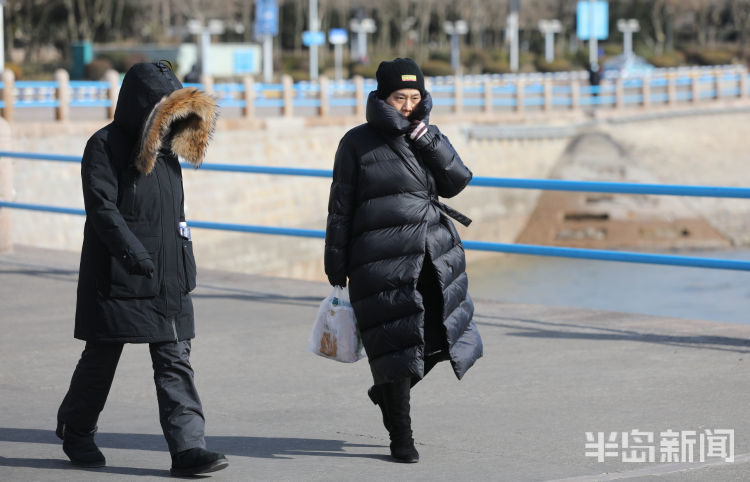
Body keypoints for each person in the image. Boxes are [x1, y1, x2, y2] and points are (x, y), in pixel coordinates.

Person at [55, 61, 228, 477]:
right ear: (143, 107)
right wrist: (135, 256)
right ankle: (76, 429)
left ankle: (188, 450)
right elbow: (102, 209)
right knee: (101, 359)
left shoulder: (169, 153)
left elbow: (175, 217)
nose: (172, 121)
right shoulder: (103, 146)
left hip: (168, 278)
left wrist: (185, 262)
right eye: (164, 111)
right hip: (117, 274)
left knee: (175, 360)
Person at [324, 58, 483, 463]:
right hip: (379, 260)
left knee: (441, 337)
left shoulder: (427, 135)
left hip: (431, 254)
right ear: (382, 96)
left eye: (415, 97)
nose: (408, 105)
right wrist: (335, 264)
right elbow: (340, 208)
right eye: (400, 97)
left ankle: (385, 393)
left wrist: (429, 141)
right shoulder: (356, 142)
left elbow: (458, 180)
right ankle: (401, 436)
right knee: (395, 347)